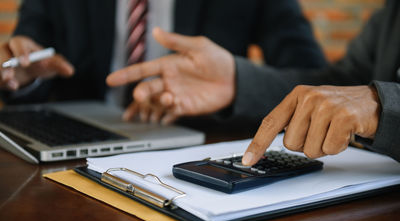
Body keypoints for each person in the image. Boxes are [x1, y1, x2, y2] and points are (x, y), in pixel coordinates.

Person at [106, 0, 400, 163]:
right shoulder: (391, 15)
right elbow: (339, 85)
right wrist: (238, 81)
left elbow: (354, 93)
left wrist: (384, 107)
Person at [0, 0, 326, 106]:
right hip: (76, 148)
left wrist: (236, 84)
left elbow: (315, 81)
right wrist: (22, 77)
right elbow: (27, 60)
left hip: (202, 151)